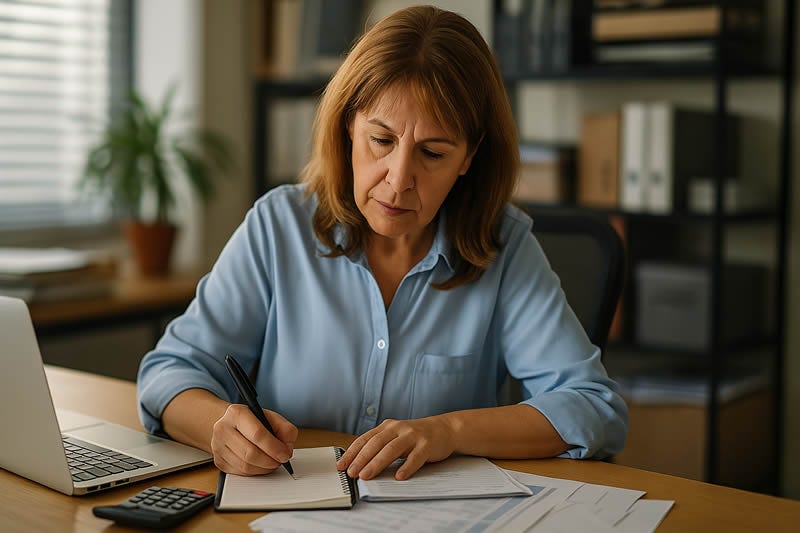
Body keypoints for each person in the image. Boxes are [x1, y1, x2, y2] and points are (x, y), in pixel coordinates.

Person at [137, 5, 627, 482]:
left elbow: (593, 407)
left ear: (468, 157)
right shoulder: (278, 226)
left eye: (432, 152)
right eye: (382, 140)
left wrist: (448, 430)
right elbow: (169, 373)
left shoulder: (506, 248)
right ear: (349, 125)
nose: (398, 179)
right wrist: (218, 427)